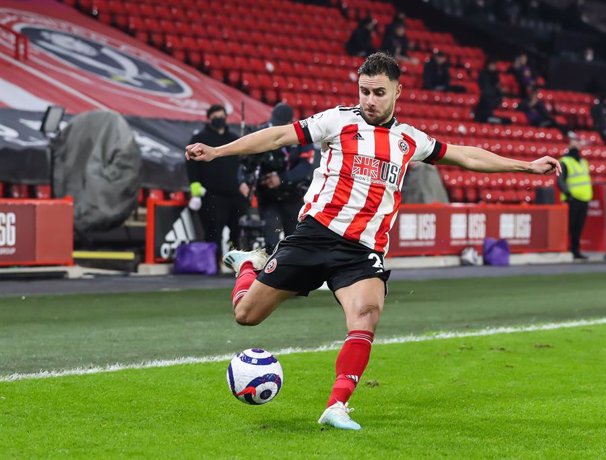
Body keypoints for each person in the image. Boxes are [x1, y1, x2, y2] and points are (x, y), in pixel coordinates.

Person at [185, 52, 561, 430]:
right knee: (246, 316)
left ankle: (336, 406)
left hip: (361, 251)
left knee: (365, 317)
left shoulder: (409, 140)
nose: (369, 100)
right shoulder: (337, 121)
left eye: (378, 92)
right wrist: (219, 151)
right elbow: (279, 135)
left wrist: (525, 166)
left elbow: (465, 156)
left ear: (398, 91)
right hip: (314, 234)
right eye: (364, 91)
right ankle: (249, 264)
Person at [238, 103, 314, 253]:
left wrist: (281, 178)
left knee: (294, 239)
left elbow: (305, 167)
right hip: (268, 196)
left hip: (292, 195)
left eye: (280, 125)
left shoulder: (301, 135)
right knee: (271, 238)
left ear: (289, 123)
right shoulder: (261, 131)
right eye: (274, 124)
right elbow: (244, 162)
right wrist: (242, 181)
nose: (275, 127)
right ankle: (270, 269)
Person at [186, 104, 248, 259]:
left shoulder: (234, 139)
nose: (219, 120)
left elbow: (243, 165)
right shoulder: (200, 139)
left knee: (237, 231)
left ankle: (235, 263)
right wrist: (195, 191)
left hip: (235, 194)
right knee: (213, 232)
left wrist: (243, 183)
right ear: (209, 119)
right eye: (215, 118)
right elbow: (191, 166)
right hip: (212, 195)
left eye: (221, 117)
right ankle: (213, 264)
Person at [557, 134, 592, 260]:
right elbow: (560, 180)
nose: (577, 143)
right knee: (568, 227)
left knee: (578, 228)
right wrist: (568, 194)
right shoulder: (564, 161)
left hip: (584, 199)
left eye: (578, 141)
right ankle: (564, 250)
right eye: (574, 141)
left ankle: (575, 250)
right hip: (572, 200)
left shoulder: (584, 162)